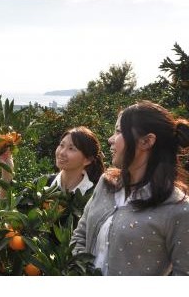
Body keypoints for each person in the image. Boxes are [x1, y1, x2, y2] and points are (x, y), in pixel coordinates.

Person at [71, 100, 189, 275]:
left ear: (147, 141)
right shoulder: (106, 184)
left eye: (119, 131)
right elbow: (80, 236)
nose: (110, 139)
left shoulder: (178, 209)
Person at [0, 126, 105, 199]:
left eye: (71, 148)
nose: (62, 152)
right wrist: (7, 172)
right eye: (61, 145)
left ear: (87, 159)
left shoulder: (94, 195)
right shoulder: (41, 184)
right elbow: (9, 211)